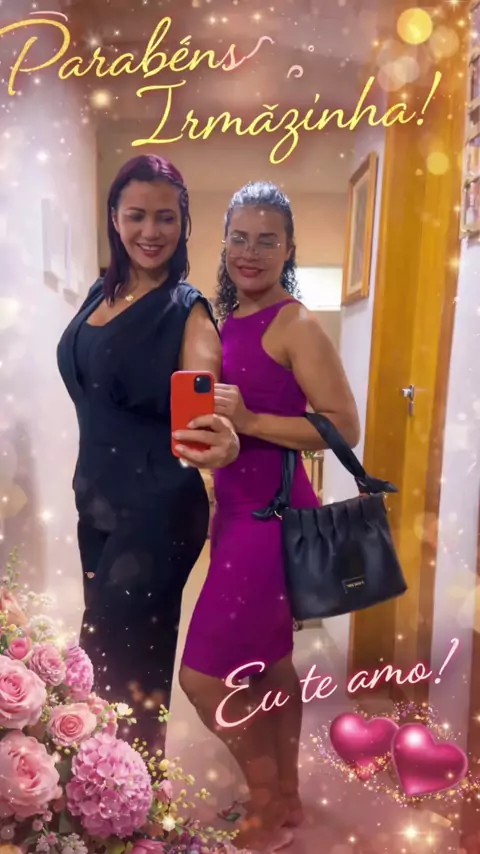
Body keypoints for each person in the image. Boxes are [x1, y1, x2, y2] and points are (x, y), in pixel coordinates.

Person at [178, 181, 360, 852]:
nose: (250, 252)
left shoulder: (295, 323)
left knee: (203, 676)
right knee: (272, 663)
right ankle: (286, 795)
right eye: (239, 238)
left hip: (272, 518)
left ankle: (264, 803)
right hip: (236, 513)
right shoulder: (226, 321)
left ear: (288, 249)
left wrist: (250, 419)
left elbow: (344, 426)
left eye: (266, 240)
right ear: (224, 242)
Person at [57, 155, 239, 750]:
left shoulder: (187, 311)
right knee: (106, 661)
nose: (151, 231)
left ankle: (128, 792)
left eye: (166, 217)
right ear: (114, 217)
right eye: (136, 215)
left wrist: (222, 437)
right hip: (97, 508)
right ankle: (119, 786)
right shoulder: (99, 293)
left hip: (158, 512)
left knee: (120, 666)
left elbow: (204, 414)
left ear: (184, 223)